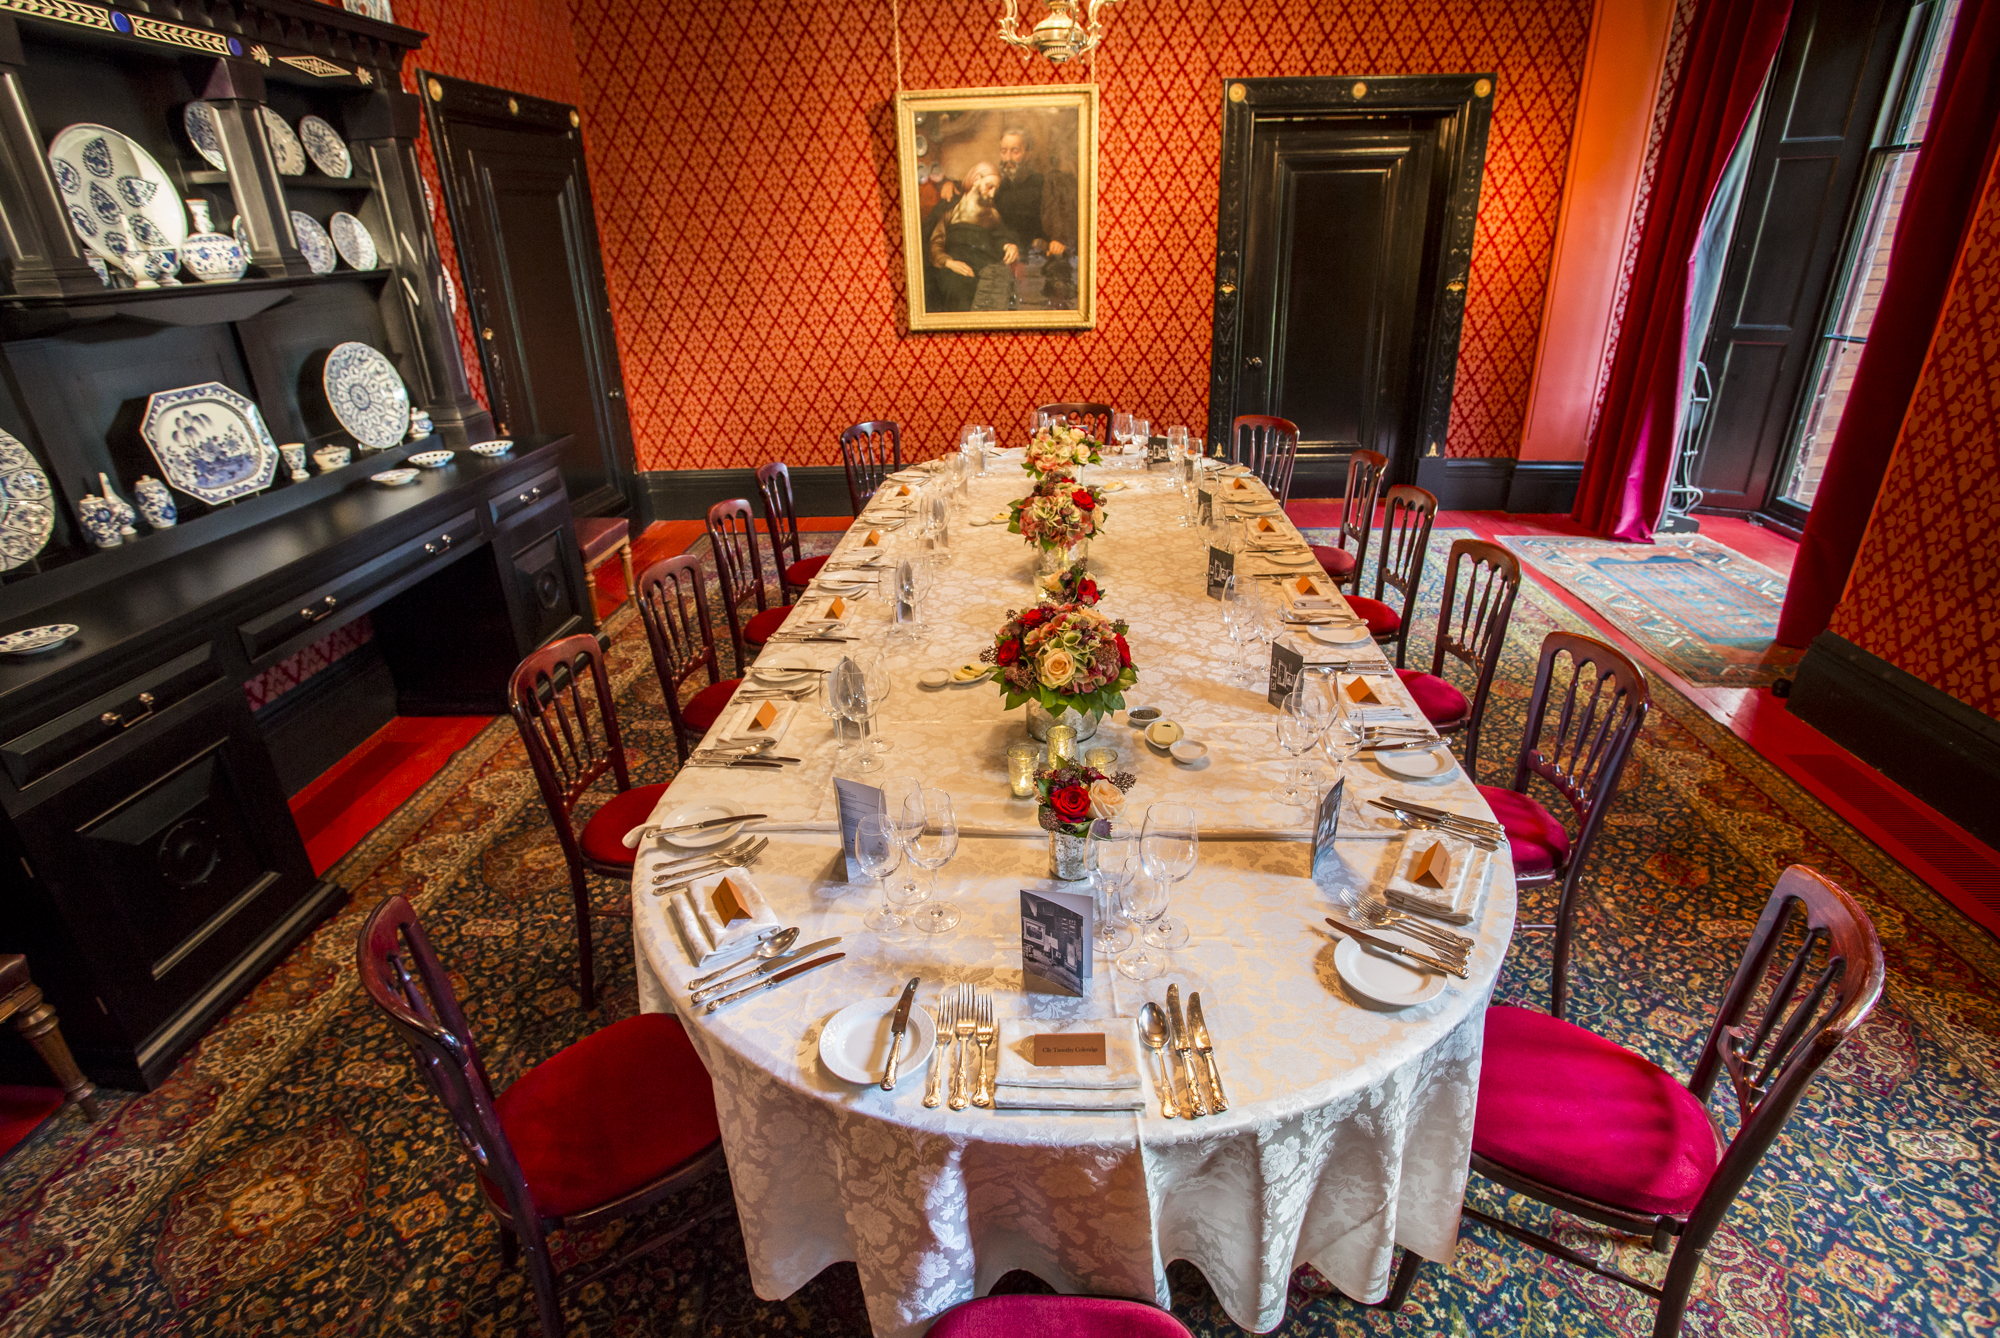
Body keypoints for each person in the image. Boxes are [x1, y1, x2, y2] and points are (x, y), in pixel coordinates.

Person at [994, 126, 1080, 305]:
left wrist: (1056, 239)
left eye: (1015, 151)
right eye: (1004, 151)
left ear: (1027, 154)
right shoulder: (998, 189)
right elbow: (994, 225)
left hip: (1041, 254)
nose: (1008, 158)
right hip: (1009, 253)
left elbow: (1056, 217)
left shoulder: (1043, 183)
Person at [927, 162, 1016, 312]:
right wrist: (949, 263)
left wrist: (1009, 245)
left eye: (995, 189)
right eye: (989, 186)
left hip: (986, 267)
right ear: (976, 180)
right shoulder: (950, 208)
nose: (992, 193)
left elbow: (1001, 235)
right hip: (956, 268)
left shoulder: (992, 212)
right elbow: (935, 243)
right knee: (957, 289)